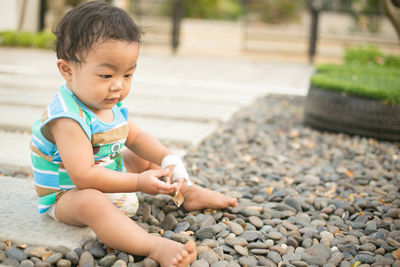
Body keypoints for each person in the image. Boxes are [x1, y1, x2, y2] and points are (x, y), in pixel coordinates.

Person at [30, 1, 237, 266]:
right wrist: (139, 183)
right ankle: (152, 246)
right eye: (106, 75)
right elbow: (83, 177)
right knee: (92, 202)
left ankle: (187, 191)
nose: (118, 85)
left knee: (141, 158)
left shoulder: (109, 103)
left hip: (108, 174)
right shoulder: (66, 118)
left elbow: (135, 137)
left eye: (128, 74)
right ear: (67, 70)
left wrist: (167, 158)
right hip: (68, 195)